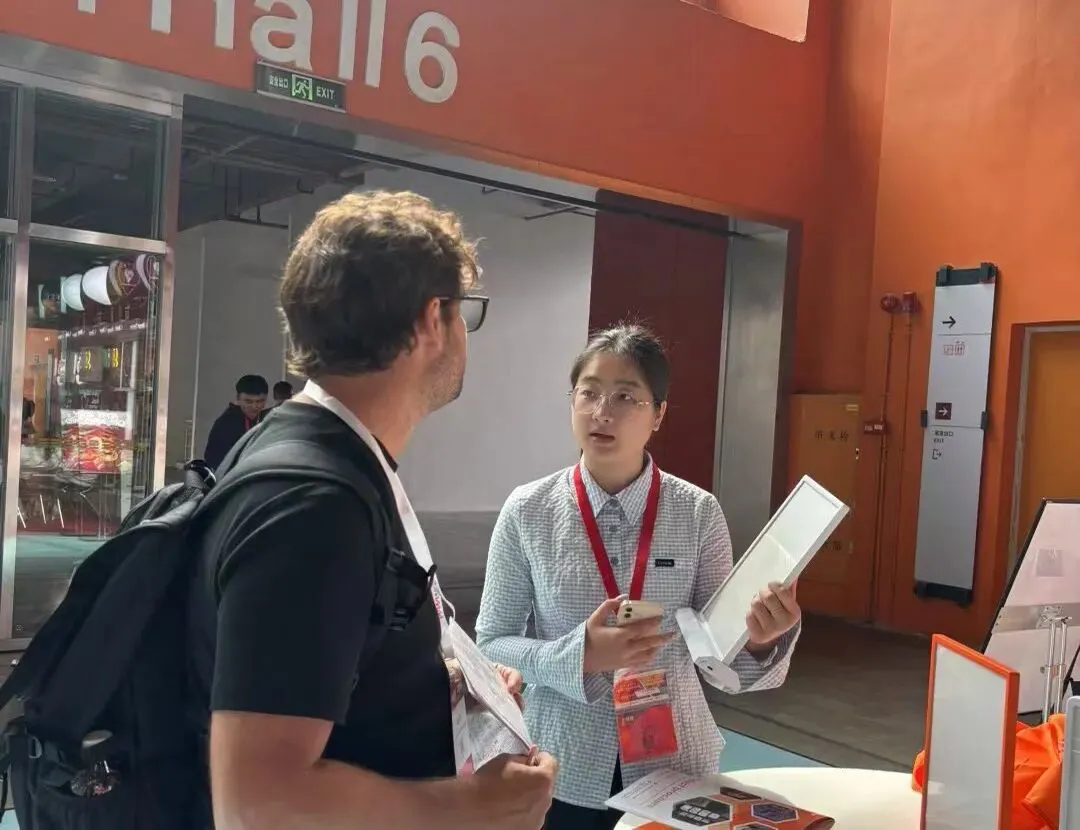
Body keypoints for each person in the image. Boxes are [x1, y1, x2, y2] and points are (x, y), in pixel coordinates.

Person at [187, 190, 556, 830]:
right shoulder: (314, 508)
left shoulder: (319, 454)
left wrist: (434, 680)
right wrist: (477, 806)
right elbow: (257, 806)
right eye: (463, 311)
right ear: (431, 319)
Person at [475, 323, 802, 830]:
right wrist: (581, 655)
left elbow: (719, 653)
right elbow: (492, 643)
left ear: (659, 414)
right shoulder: (528, 510)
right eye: (589, 393)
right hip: (561, 758)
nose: (602, 412)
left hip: (674, 764)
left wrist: (760, 640)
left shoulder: (697, 513)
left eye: (625, 397)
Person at [202, 374, 268, 469]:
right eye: (248, 401)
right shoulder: (226, 424)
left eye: (260, 401)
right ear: (238, 399)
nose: (254, 407)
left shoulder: (266, 418)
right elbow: (214, 461)